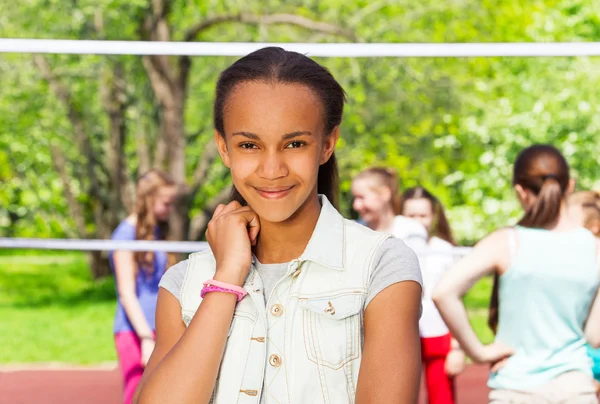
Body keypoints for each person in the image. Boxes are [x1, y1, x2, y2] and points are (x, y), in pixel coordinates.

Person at [133, 47, 423, 404]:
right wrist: (226, 278)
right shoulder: (183, 284)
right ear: (224, 148)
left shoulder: (382, 267)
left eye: (295, 143)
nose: (272, 170)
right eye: (249, 145)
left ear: (327, 144)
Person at [433, 144, 600, 403]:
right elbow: (593, 335)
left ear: (520, 191)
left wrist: (478, 352)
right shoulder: (594, 247)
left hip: (516, 388)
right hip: (574, 388)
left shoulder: (507, 242)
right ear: (571, 186)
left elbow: (443, 292)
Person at [110, 169, 177, 404]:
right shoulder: (125, 235)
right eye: (166, 203)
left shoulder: (155, 233)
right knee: (136, 395)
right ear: (149, 199)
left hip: (161, 325)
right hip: (135, 331)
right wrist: (146, 338)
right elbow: (127, 293)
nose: (170, 210)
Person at [401, 186, 465, 404]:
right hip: (403, 337)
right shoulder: (392, 248)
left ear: (433, 216)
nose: (417, 221)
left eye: (423, 215)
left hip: (438, 335)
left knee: (442, 399)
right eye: (411, 215)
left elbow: (457, 299)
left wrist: (457, 347)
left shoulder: (446, 250)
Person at [351, 167, 428, 251]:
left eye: (361, 197)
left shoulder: (411, 231)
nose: (356, 205)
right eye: (355, 198)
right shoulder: (352, 231)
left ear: (385, 194)